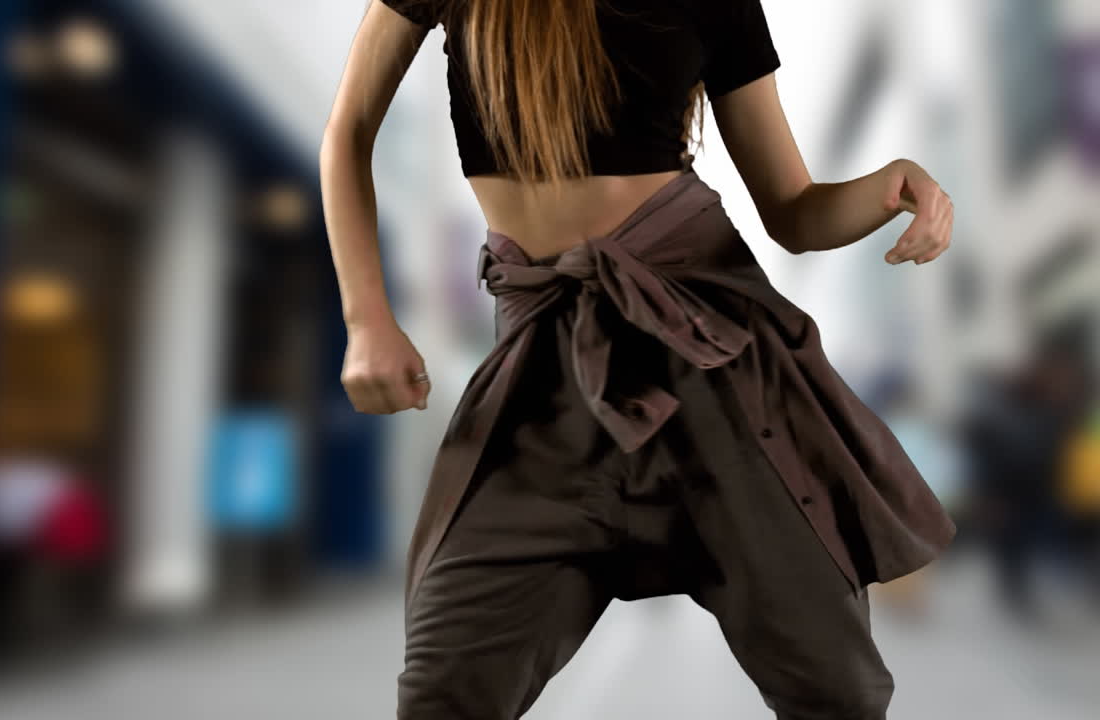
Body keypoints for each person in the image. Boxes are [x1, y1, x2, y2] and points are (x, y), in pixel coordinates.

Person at [321, 1, 958, 717]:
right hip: (541, 367)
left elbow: (794, 210)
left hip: (712, 356)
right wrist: (366, 319)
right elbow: (349, 129)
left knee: (838, 693)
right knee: (443, 694)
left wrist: (892, 186)